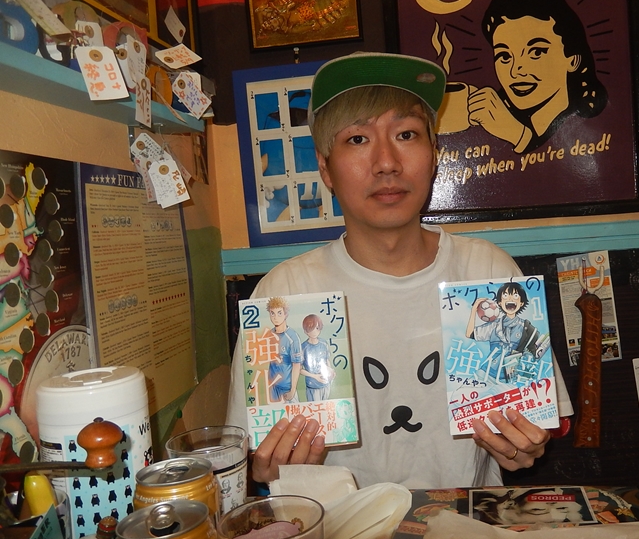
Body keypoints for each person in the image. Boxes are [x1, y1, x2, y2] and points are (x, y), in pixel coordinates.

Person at [226, 52, 573, 490]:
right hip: (335, 526)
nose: (386, 162)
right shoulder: (284, 293)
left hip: (465, 523)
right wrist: (262, 471)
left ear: (434, 155)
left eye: (406, 134)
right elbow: (247, 460)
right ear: (325, 168)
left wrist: (525, 445)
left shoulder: (486, 272)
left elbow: (537, 424)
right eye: (357, 139)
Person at [468, 0, 607, 154]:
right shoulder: (494, 124)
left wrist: (519, 136)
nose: (516, 70)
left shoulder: (591, 127)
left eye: (536, 52)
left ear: (572, 59)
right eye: (504, 56)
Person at [266, 296, 303, 402]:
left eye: (279, 313)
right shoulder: (269, 335)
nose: (275, 317)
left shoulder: (292, 337)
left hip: (287, 389)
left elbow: (297, 365)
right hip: (273, 387)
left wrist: (292, 390)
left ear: (286, 314)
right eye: (272, 313)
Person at [300, 313, 336, 400]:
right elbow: (299, 370)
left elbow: (326, 360)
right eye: (311, 329)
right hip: (312, 386)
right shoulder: (303, 347)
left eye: (316, 328)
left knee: (326, 405)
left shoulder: (323, 343)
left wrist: (331, 371)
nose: (314, 332)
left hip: (326, 384)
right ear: (305, 331)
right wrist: (315, 377)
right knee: (315, 407)